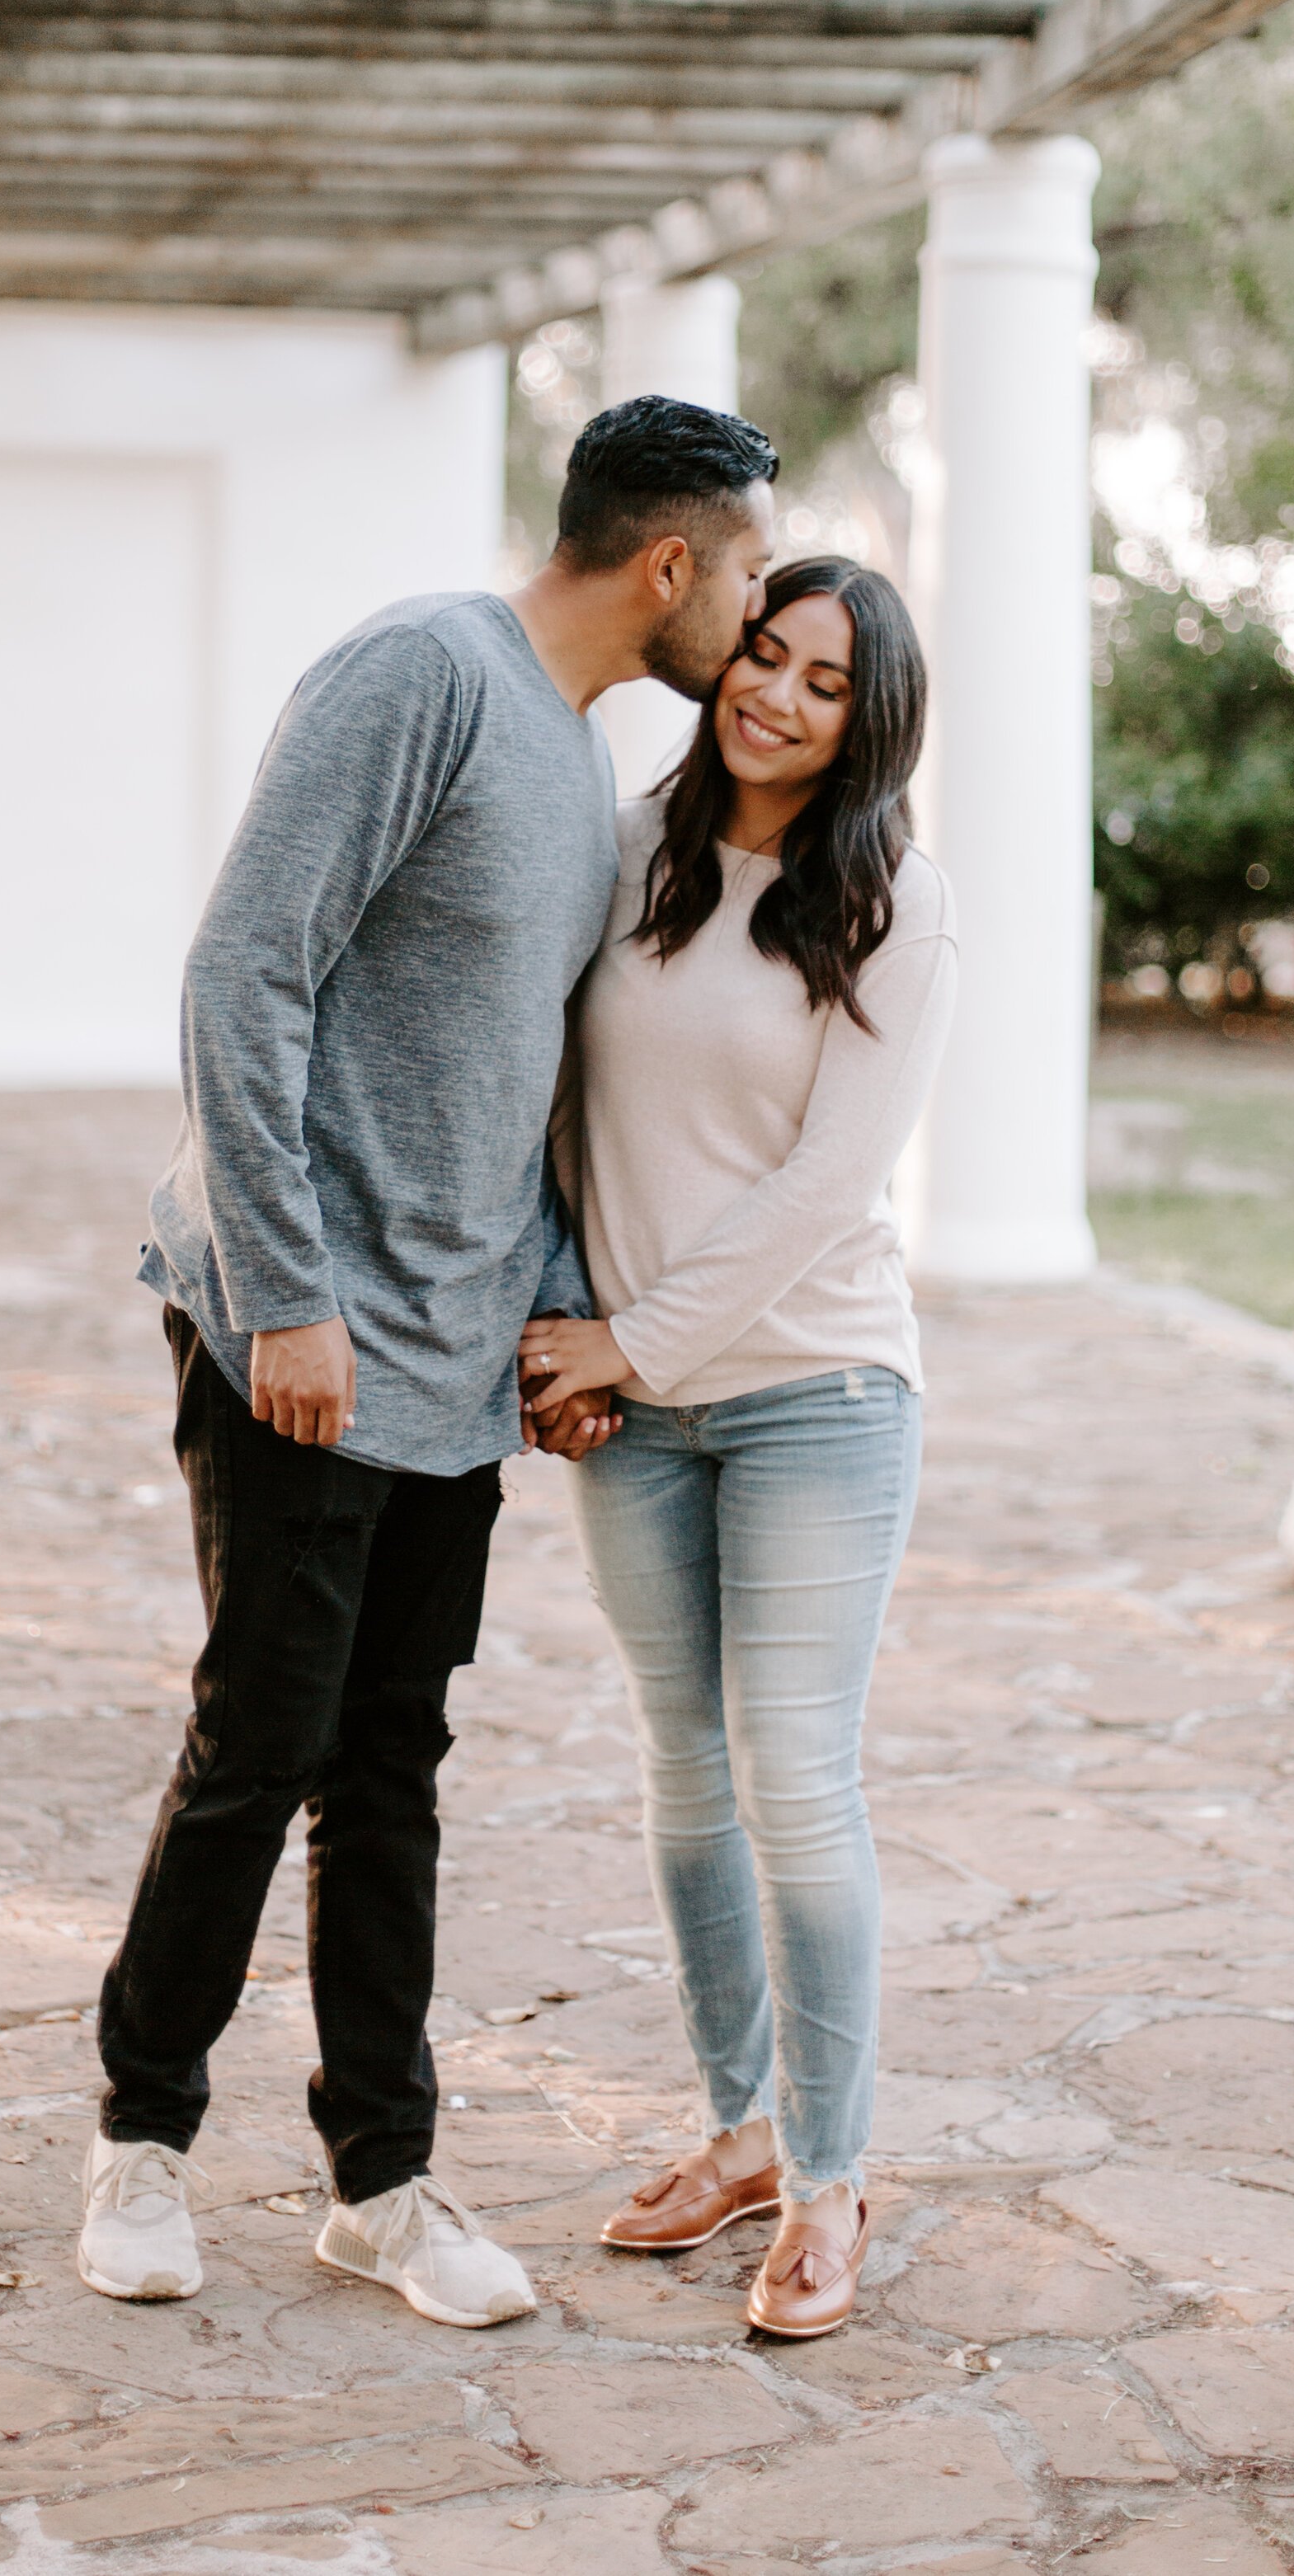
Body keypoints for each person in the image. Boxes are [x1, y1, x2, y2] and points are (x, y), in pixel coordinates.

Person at [79, 395, 779, 2327]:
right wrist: (284, 1291)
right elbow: (246, 969)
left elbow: (511, 1087)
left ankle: (379, 2182)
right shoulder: (421, 673)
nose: (748, 605)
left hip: (456, 1361)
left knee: (388, 1769)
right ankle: (137, 2141)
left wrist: (551, 1317)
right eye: (741, 571)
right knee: (262, 1743)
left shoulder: (565, 761)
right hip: (301, 1339)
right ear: (667, 564)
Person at [520, 555, 956, 2341]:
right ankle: (737, 2130)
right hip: (633, 1410)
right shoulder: (625, 851)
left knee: (794, 1776)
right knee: (680, 1771)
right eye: (761, 655)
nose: (772, 693)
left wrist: (633, 1333)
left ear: (871, 721)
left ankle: (834, 2172)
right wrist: (568, 1332)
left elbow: (826, 1188)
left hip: (814, 1394)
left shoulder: (890, 905)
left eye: (823, 681)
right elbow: (551, 1106)